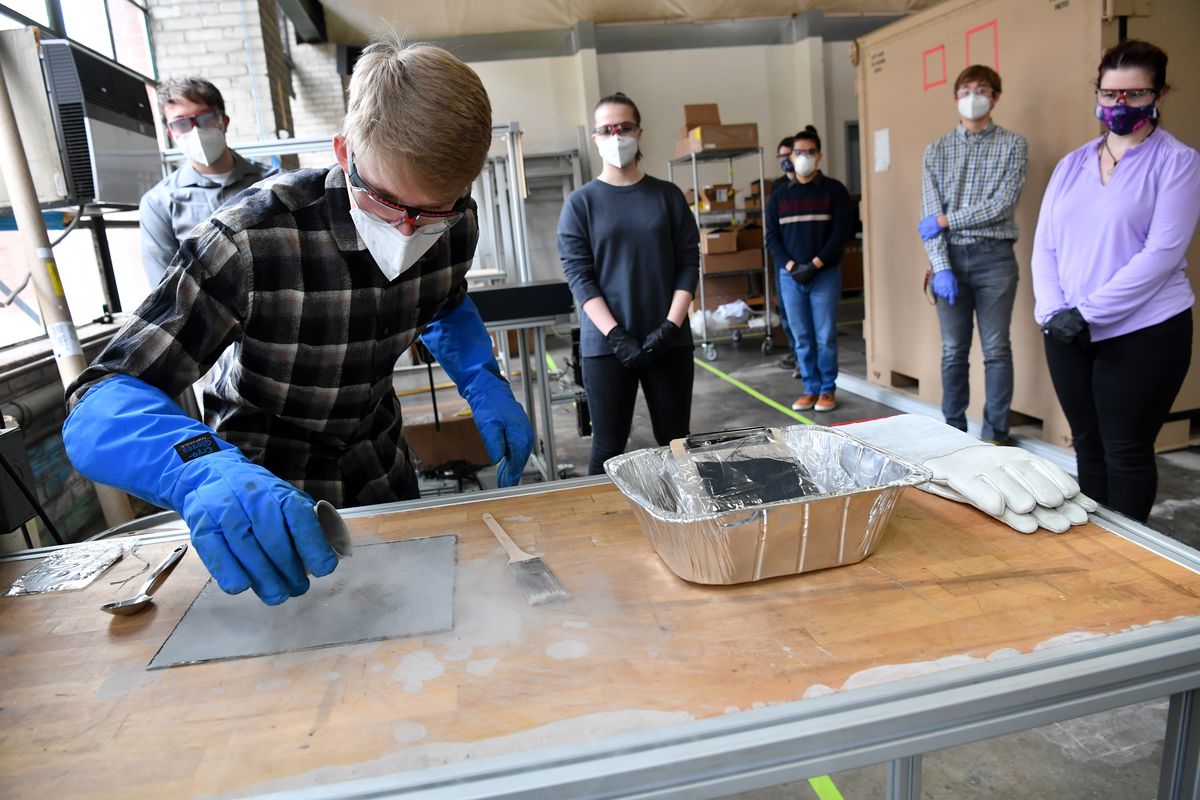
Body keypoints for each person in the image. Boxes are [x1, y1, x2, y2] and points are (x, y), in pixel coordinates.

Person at [62, 37, 534, 606]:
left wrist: (481, 377)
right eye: (386, 204)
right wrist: (198, 469)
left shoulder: (456, 223)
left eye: (431, 213)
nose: (409, 233)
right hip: (264, 498)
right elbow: (100, 397)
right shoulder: (249, 238)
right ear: (344, 151)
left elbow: (442, 299)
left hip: (379, 469)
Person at [1032, 40, 1199, 523]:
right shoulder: (1071, 164)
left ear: (1159, 94)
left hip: (1145, 330)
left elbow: (1162, 254)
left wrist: (1087, 313)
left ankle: (1129, 558)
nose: (1118, 106)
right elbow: (1046, 244)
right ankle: (1097, 555)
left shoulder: (1178, 162)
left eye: (1133, 94)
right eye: (1109, 95)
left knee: (1125, 448)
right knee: (1086, 445)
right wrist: (1052, 312)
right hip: (1066, 329)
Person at [557, 92, 700, 475]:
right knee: (608, 445)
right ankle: (599, 524)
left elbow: (689, 263)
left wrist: (670, 327)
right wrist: (616, 335)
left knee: (676, 441)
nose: (616, 135)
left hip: (669, 342)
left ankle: (683, 519)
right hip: (606, 347)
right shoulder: (580, 204)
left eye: (624, 127)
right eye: (607, 129)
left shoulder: (667, 196)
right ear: (595, 137)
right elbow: (579, 276)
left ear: (639, 132)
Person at [919, 65, 1028, 445]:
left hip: (995, 258)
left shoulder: (1013, 145)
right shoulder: (936, 150)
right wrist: (941, 265)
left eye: (981, 89)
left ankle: (995, 434)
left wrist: (948, 219)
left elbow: (1002, 204)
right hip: (949, 260)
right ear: (955, 98)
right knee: (953, 351)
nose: (973, 96)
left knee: (997, 348)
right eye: (965, 90)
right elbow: (928, 219)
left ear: (995, 96)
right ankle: (954, 434)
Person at [139, 78, 278, 287]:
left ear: (224, 121)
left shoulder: (275, 182)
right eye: (181, 123)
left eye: (205, 118)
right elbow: (165, 291)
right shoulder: (158, 203)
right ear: (171, 134)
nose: (195, 130)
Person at [765, 125, 852, 413]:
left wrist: (814, 265)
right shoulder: (779, 195)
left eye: (808, 152)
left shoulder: (834, 191)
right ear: (791, 156)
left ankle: (827, 389)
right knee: (801, 336)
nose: (802, 157)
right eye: (797, 153)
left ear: (819, 155)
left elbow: (840, 234)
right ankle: (810, 388)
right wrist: (792, 266)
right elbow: (771, 238)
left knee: (824, 335)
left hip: (824, 274)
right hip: (790, 276)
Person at [770, 135, 800, 376]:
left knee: (810, 322)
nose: (785, 160)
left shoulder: (811, 187)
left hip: (810, 263)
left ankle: (808, 363)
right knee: (788, 315)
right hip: (784, 263)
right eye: (780, 157)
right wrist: (787, 261)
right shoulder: (778, 189)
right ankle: (796, 352)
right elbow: (772, 232)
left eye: (788, 155)